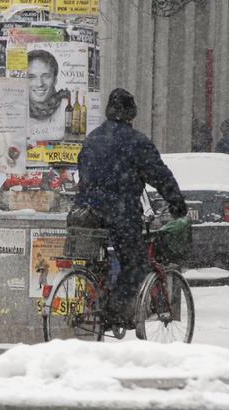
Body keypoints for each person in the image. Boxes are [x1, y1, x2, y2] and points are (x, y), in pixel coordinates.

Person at [74, 88, 187, 327]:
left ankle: (97, 300)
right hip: (120, 213)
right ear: (130, 115)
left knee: (96, 261)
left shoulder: (92, 138)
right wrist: (176, 202)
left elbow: (83, 173)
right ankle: (114, 313)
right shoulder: (136, 142)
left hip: (87, 213)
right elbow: (160, 175)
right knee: (135, 263)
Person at [27, 49, 70, 121]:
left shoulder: (67, 106)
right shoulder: (16, 109)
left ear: (55, 80)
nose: (39, 84)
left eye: (46, 76)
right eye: (31, 77)